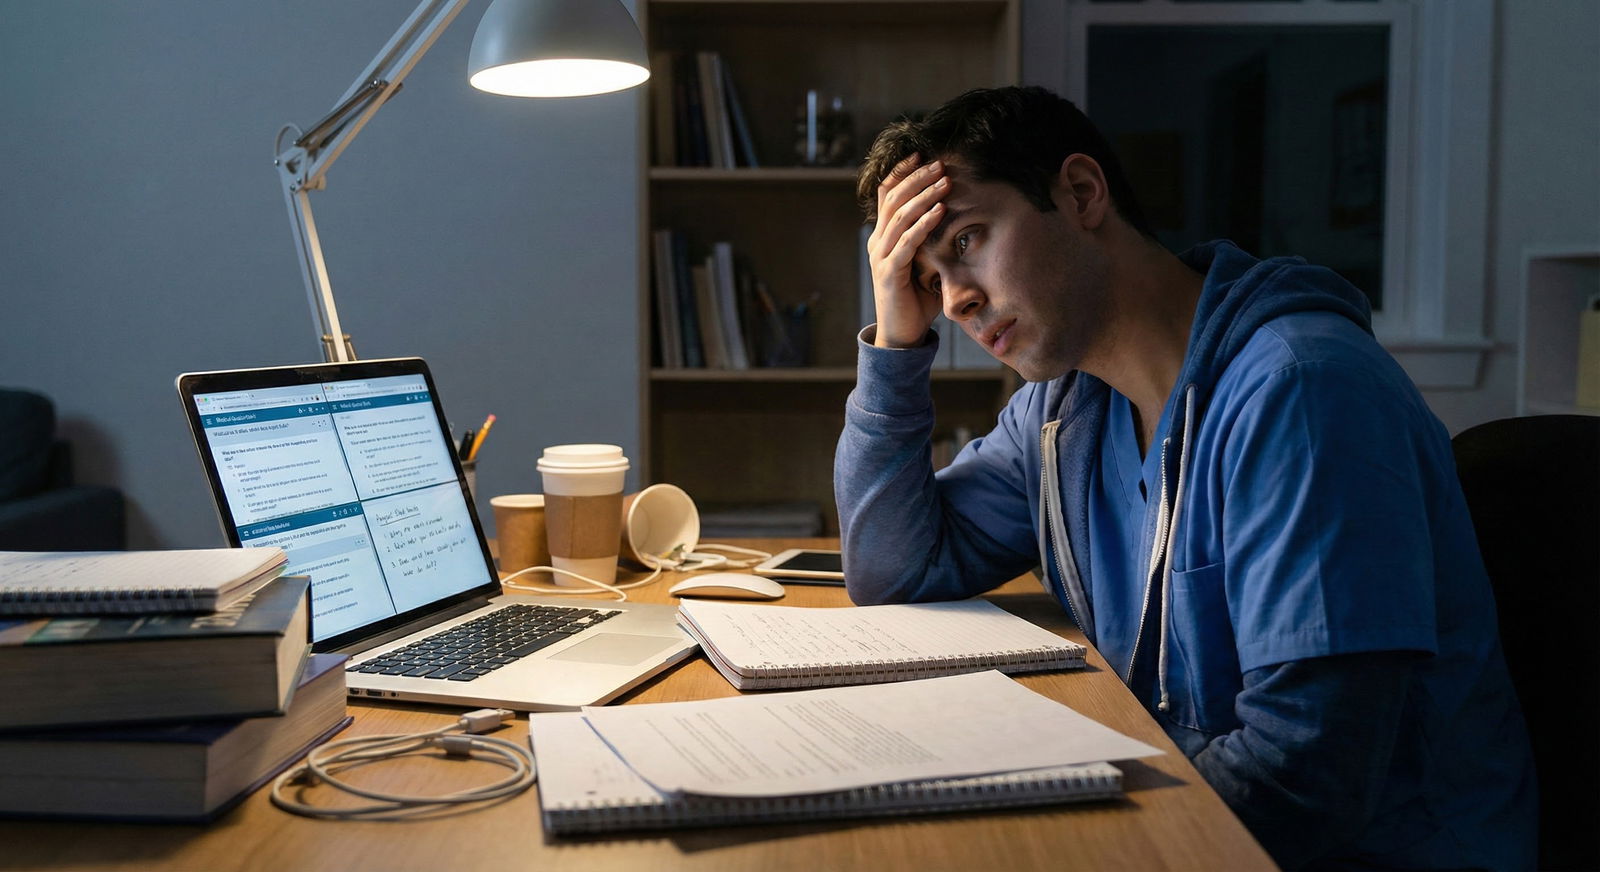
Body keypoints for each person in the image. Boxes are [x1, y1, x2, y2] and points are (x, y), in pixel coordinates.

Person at [836, 85, 1535, 871]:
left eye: (965, 240)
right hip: (1190, 825)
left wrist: (1051, 850)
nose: (956, 301)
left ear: (1080, 192)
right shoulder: (1064, 412)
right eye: (927, 280)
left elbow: (1306, 772)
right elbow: (896, 568)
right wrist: (895, 342)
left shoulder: (1302, 393)